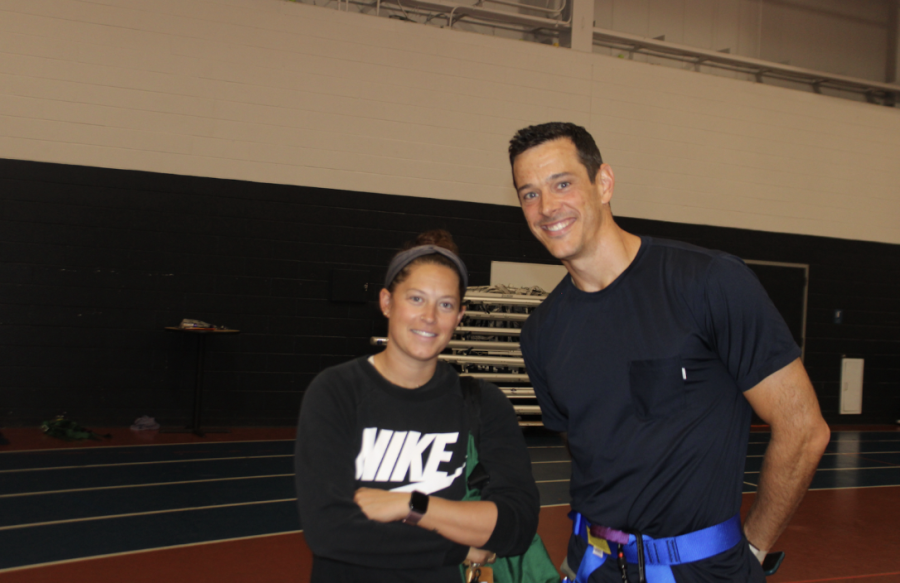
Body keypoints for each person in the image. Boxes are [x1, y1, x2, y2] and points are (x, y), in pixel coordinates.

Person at [507, 122, 830, 583]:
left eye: (562, 183)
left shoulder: (707, 283)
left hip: (703, 571)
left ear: (603, 183)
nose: (547, 207)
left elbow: (804, 429)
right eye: (529, 193)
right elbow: (588, 450)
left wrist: (751, 552)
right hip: (590, 565)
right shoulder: (541, 333)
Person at [295, 229, 540, 583]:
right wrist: (458, 546)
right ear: (386, 301)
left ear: (459, 316)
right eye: (415, 299)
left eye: (445, 304)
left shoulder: (484, 404)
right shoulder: (336, 391)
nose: (429, 317)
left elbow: (515, 526)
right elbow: (329, 530)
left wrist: (413, 504)